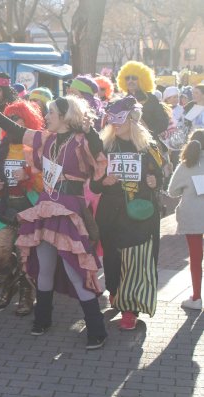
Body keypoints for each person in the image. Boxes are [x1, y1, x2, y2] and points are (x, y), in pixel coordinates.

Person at [0, 93, 108, 349]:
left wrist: (91, 132)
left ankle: (96, 329)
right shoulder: (46, 138)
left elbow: (98, 154)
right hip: (46, 207)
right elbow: (17, 130)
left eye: (51, 113)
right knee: (44, 267)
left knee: (74, 269)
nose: (46, 117)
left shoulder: (81, 141)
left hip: (69, 209)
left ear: (65, 117)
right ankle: (43, 318)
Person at [92, 97, 163, 330]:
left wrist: (154, 182)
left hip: (139, 216)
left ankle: (130, 309)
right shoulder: (105, 148)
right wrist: (104, 181)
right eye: (111, 118)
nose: (114, 123)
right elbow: (94, 186)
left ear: (133, 120)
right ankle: (115, 292)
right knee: (112, 260)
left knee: (135, 262)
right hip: (111, 215)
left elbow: (160, 177)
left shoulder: (149, 148)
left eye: (119, 118)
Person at [0, 100, 44, 315]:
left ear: (27, 122)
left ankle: (27, 294)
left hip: (29, 210)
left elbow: (48, 182)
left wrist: (29, 174)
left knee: (27, 255)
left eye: (17, 118)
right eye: (9, 118)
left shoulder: (37, 148)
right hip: (4, 209)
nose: (12, 123)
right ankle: (8, 285)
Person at [168, 129, 204, 310]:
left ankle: (196, 297)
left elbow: (172, 191)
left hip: (193, 216)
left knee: (196, 258)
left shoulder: (186, 165)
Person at [116, 61, 170, 148]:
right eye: (127, 78)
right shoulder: (121, 101)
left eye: (134, 78)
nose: (130, 81)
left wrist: (148, 133)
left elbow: (163, 122)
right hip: (127, 147)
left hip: (147, 145)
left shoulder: (150, 99)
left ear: (142, 79)